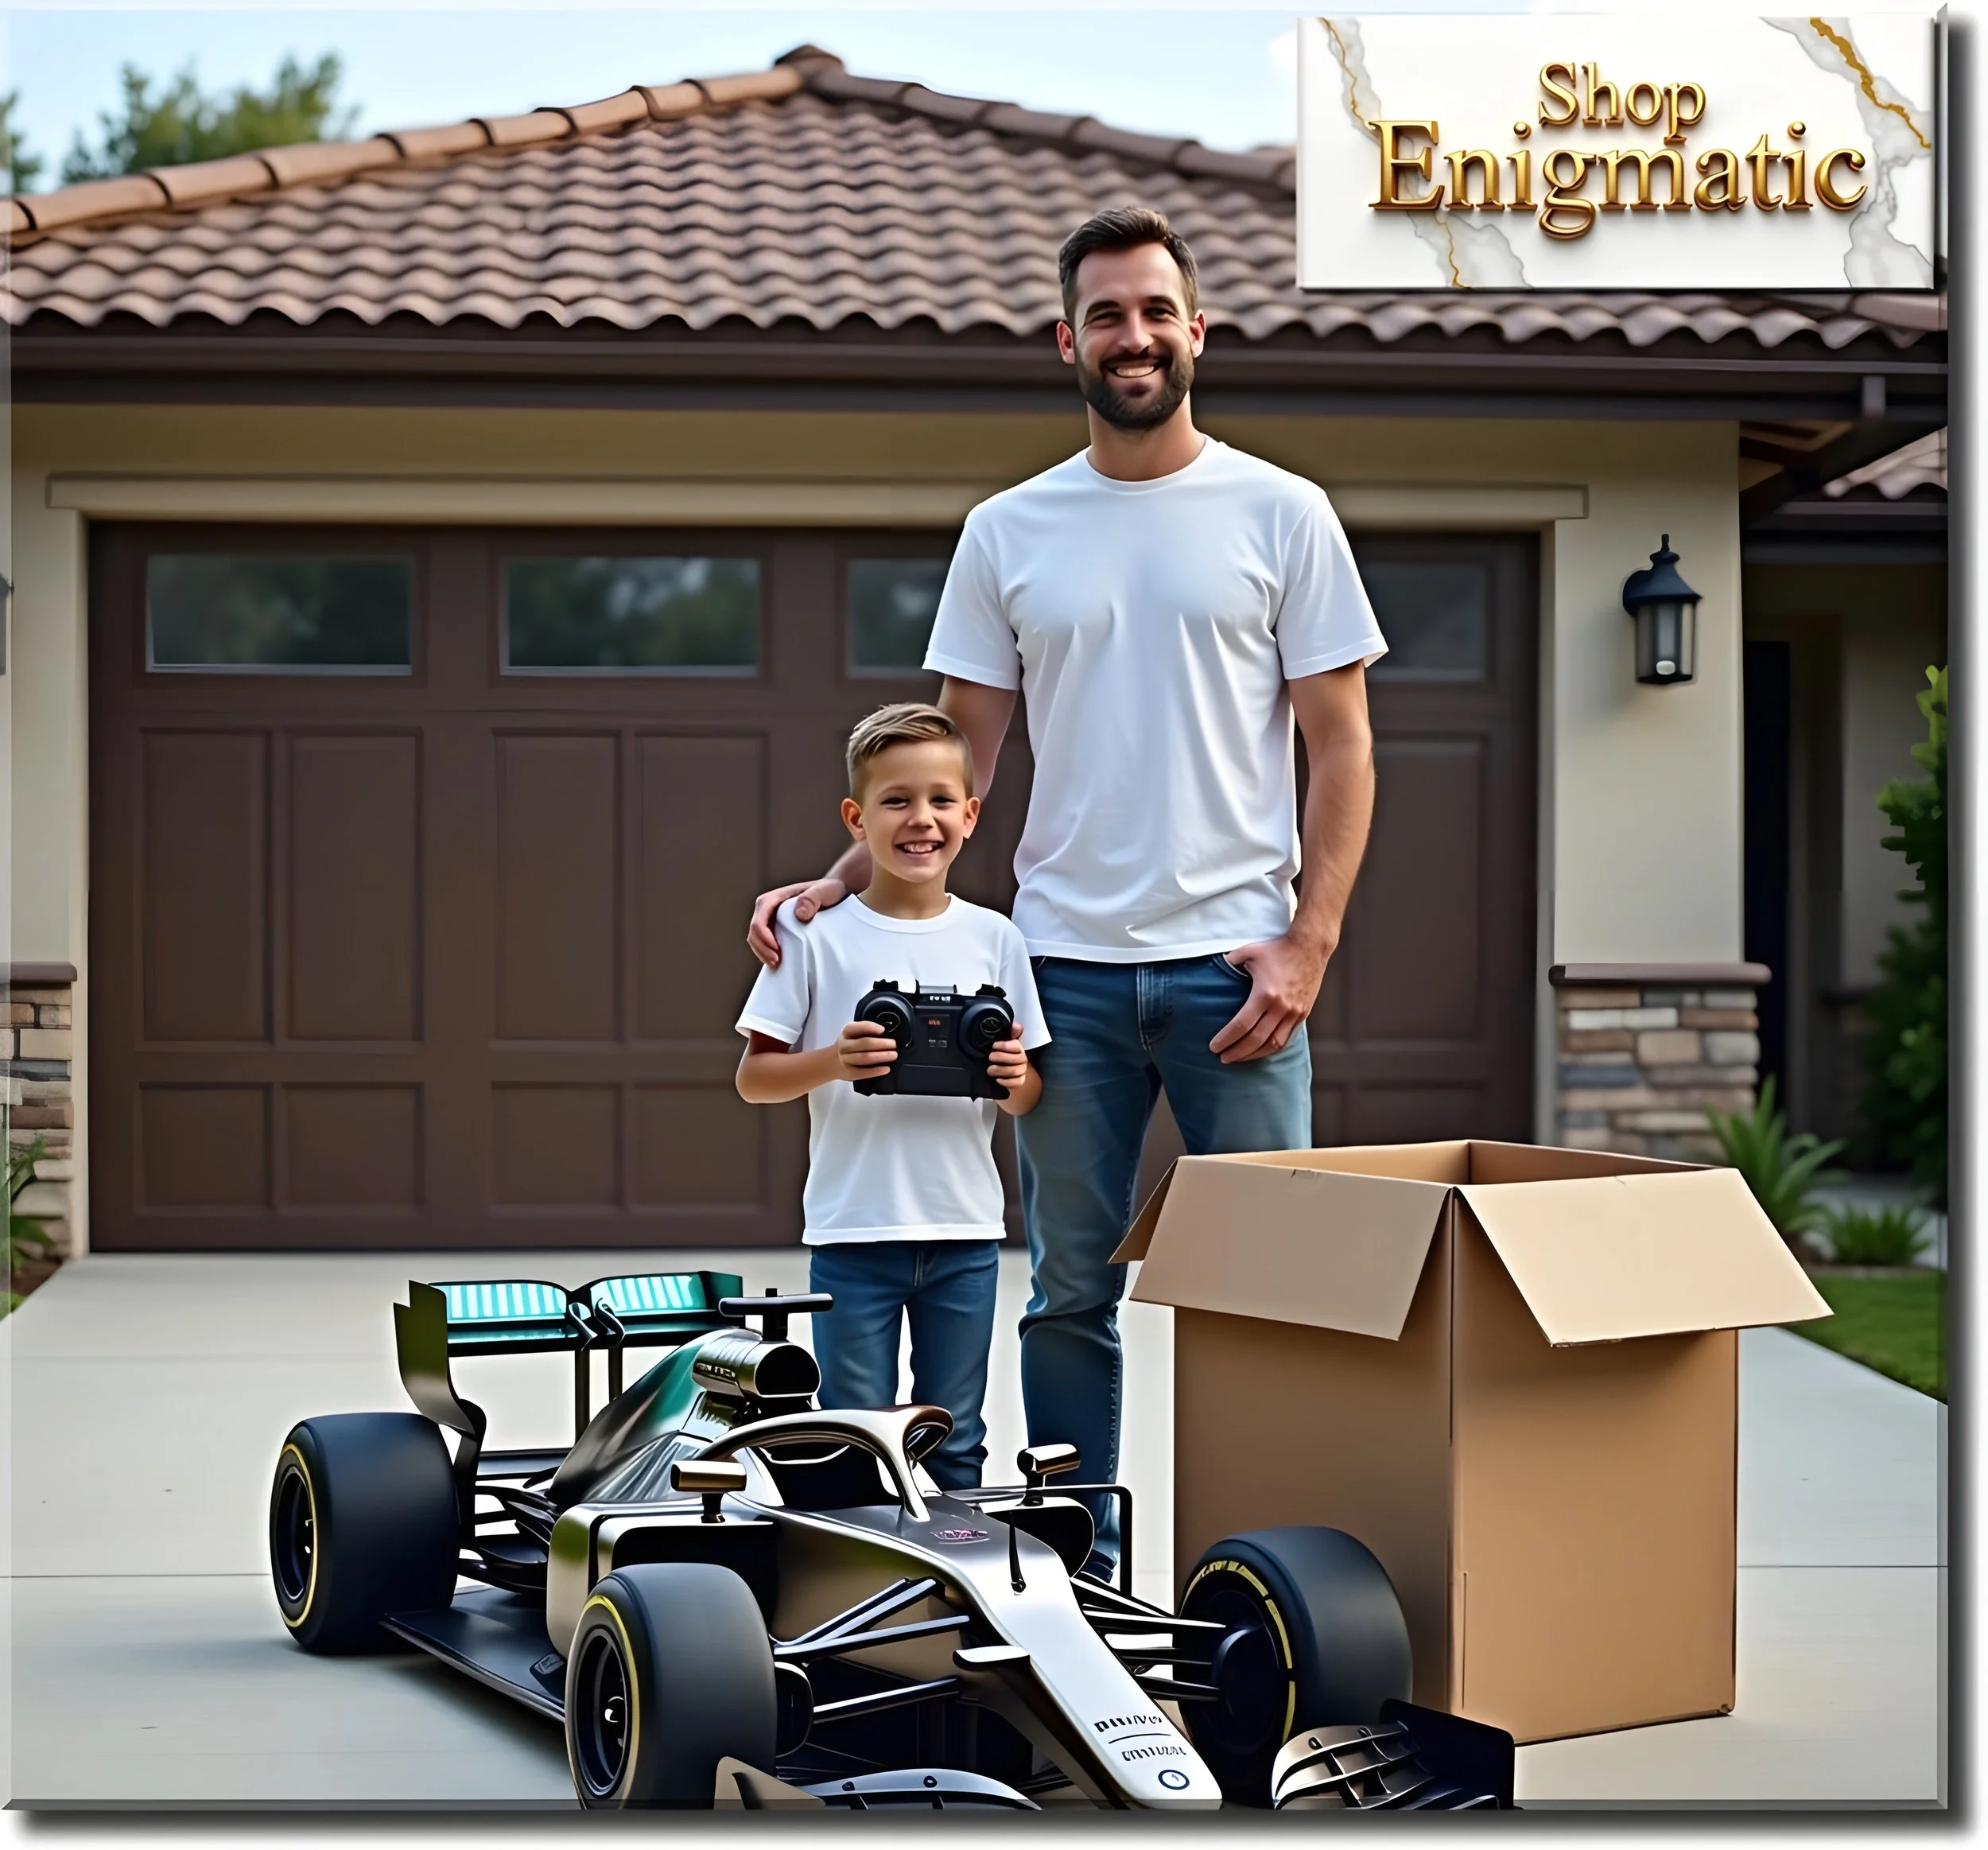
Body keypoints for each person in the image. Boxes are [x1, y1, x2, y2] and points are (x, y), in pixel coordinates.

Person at [747, 207, 1384, 1573]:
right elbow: (957, 760)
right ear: (1067, 340)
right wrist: (839, 882)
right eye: (1106, 315)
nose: (1132, 336)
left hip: (1239, 979)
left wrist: (1310, 943)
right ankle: (1078, 1564)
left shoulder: (1284, 513)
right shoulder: (1009, 530)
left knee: (1273, 1292)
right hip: (1061, 978)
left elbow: (1343, 745)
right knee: (1070, 1292)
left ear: (1196, 331)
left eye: (1155, 311)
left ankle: (1271, 1568)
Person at [735, 702, 1046, 1490]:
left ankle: (957, 1559)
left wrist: (1015, 1076)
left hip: (965, 1229)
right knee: (853, 1434)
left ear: (970, 815)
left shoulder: (997, 938)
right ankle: (858, 1560)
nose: (921, 820)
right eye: (896, 800)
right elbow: (754, 1078)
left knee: (958, 1436)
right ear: (857, 818)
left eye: (941, 800)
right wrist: (833, 1061)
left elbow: (1026, 1097)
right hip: (853, 1226)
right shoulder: (814, 936)